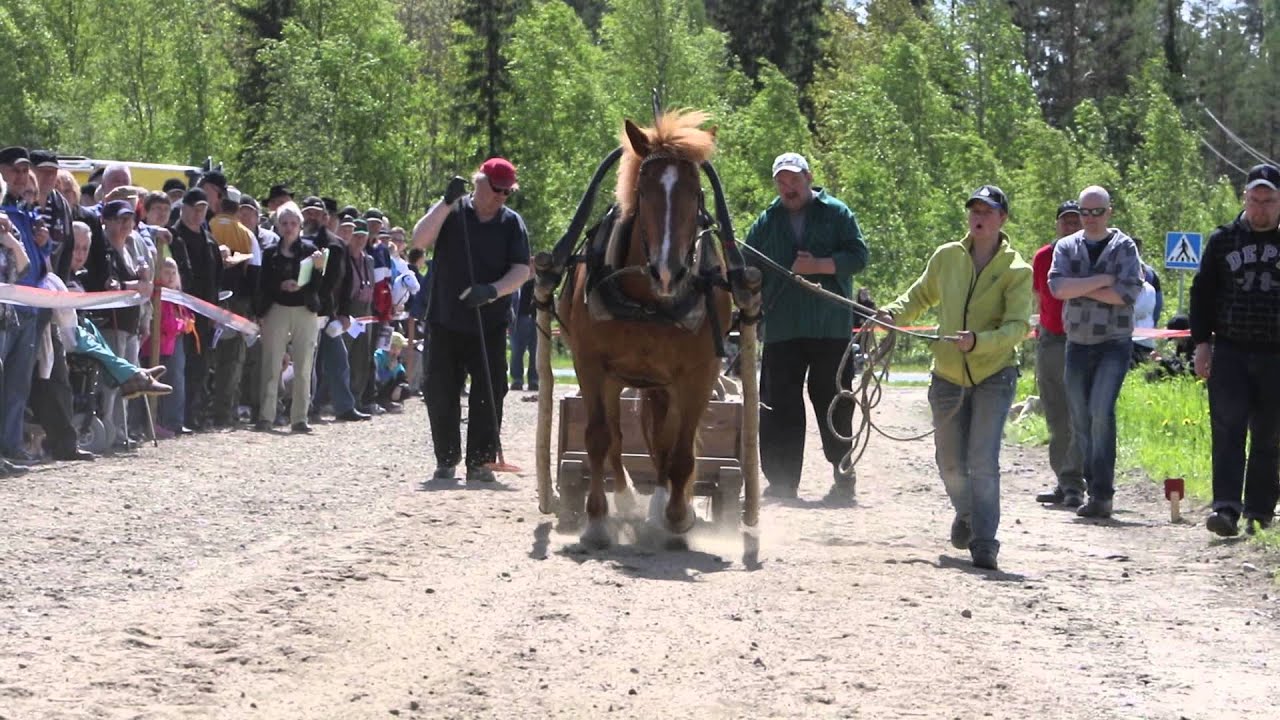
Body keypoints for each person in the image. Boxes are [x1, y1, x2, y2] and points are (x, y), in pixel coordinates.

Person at [879, 185, 1031, 571]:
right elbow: (918, 297)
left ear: (1002, 219)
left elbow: (1016, 328)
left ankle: (985, 541)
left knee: (982, 460)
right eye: (974, 209)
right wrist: (891, 315)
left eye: (988, 210)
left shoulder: (1017, 270)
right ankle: (966, 512)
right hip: (947, 374)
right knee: (948, 461)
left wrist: (979, 342)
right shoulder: (947, 257)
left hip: (994, 374)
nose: (979, 216)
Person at [744, 151, 869, 502]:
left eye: (794, 180)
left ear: (809, 178)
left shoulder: (837, 213)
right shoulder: (766, 222)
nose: (788, 187)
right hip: (782, 328)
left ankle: (843, 473)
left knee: (833, 401)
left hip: (830, 326)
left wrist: (821, 265)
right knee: (778, 404)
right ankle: (782, 482)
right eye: (781, 182)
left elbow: (859, 256)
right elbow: (744, 262)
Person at [411, 157, 531, 483]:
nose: (501, 197)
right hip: (444, 318)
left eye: (508, 192)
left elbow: (521, 270)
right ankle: (446, 458)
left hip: (488, 321)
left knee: (490, 391)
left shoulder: (512, 223)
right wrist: (445, 201)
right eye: (496, 190)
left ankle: (480, 460)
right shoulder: (452, 213)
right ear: (479, 183)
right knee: (440, 390)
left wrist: (492, 291)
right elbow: (419, 240)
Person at [1191, 163, 1280, 537]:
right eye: (1254, 199)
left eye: (1269, 200)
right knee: (1227, 430)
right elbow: (1202, 294)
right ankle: (1225, 508)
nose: (1260, 207)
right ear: (1244, 198)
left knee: (1270, 434)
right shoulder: (1223, 240)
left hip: (1276, 353)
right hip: (1230, 349)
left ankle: (1259, 512)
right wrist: (1201, 345)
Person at [1048, 185, 1143, 519]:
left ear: (1109, 212)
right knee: (1081, 418)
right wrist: (1103, 279)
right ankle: (1091, 486)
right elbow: (1058, 287)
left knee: (1101, 413)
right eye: (1084, 213)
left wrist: (1082, 286)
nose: (1089, 219)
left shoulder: (1124, 246)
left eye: (1096, 212)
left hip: (1114, 343)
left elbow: (1127, 293)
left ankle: (1102, 493)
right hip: (1077, 343)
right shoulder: (1066, 246)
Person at [1031, 201, 1086, 507]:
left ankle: (1075, 480)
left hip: (1079, 340)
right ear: (1057, 224)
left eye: (1075, 221)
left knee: (1078, 413)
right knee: (1055, 414)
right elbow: (1039, 296)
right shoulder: (1043, 257)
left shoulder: (1088, 255)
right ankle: (1063, 479)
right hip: (1050, 340)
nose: (1070, 225)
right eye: (1065, 221)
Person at [253, 201, 324, 433]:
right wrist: (281, 285)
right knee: (271, 364)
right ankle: (266, 416)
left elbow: (319, 286)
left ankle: (300, 418)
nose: (289, 227)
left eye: (293, 223)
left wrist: (319, 269)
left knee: (304, 365)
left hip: (305, 309)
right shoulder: (270, 253)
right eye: (284, 223)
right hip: (277, 308)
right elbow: (263, 284)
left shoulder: (311, 251)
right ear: (278, 226)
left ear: (300, 226)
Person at [148, 256, 193, 438]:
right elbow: (165, 322)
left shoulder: (176, 296)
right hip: (162, 346)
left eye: (173, 272)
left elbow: (185, 313)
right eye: (167, 272)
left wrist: (188, 322)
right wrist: (182, 325)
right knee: (165, 384)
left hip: (176, 343)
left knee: (178, 382)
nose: (171, 276)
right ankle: (162, 423)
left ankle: (176, 422)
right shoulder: (158, 295)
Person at [508, 257, 538, 392]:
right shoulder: (518, 281)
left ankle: (534, 380)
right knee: (517, 351)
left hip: (537, 320)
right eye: (530, 263)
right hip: (519, 320)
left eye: (534, 264)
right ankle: (517, 379)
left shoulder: (540, 281)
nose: (532, 267)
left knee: (535, 352)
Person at [374, 331, 410, 409]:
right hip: (376, 387)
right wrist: (388, 369)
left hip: (387, 387)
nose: (396, 351)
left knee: (405, 389)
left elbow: (402, 377)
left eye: (399, 348)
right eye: (393, 347)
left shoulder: (396, 359)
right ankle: (380, 402)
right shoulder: (378, 356)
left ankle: (389, 401)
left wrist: (400, 386)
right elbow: (377, 379)